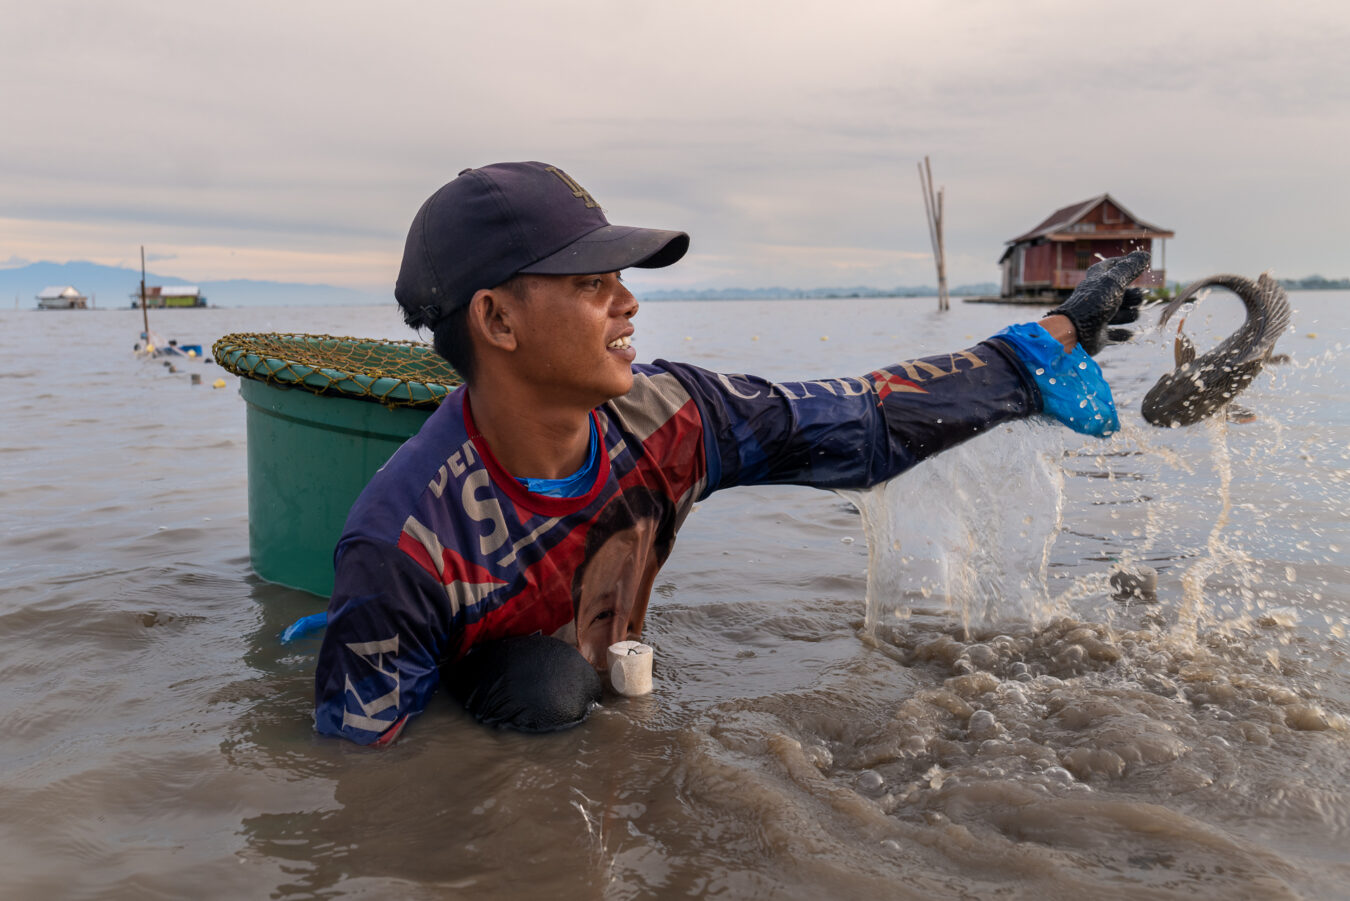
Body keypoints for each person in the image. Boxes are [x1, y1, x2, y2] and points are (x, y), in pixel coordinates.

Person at [313, 160, 1149, 746]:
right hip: (511, 689)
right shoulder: (403, 548)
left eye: (619, 278)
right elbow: (365, 776)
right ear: (497, 322)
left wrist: (1050, 344)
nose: (629, 303)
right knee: (548, 687)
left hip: (600, 660)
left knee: (581, 681)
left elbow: (863, 423)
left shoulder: (674, 414)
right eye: (590, 285)